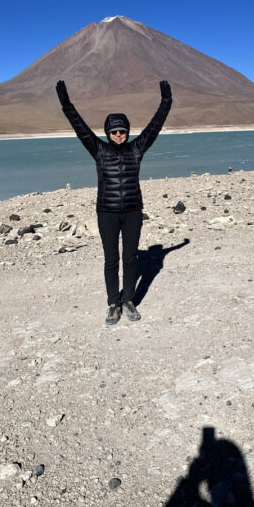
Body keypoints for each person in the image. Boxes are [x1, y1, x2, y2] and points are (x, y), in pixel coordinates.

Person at [55, 79, 172, 325]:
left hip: (132, 211)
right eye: (114, 132)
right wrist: (66, 103)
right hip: (106, 212)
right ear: (107, 134)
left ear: (128, 132)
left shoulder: (137, 148)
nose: (118, 135)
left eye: (122, 132)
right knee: (111, 259)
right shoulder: (98, 149)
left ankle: (128, 301)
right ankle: (112, 303)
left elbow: (154, 127)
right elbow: (80, 127)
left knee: (131, 258)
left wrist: (166, 102)